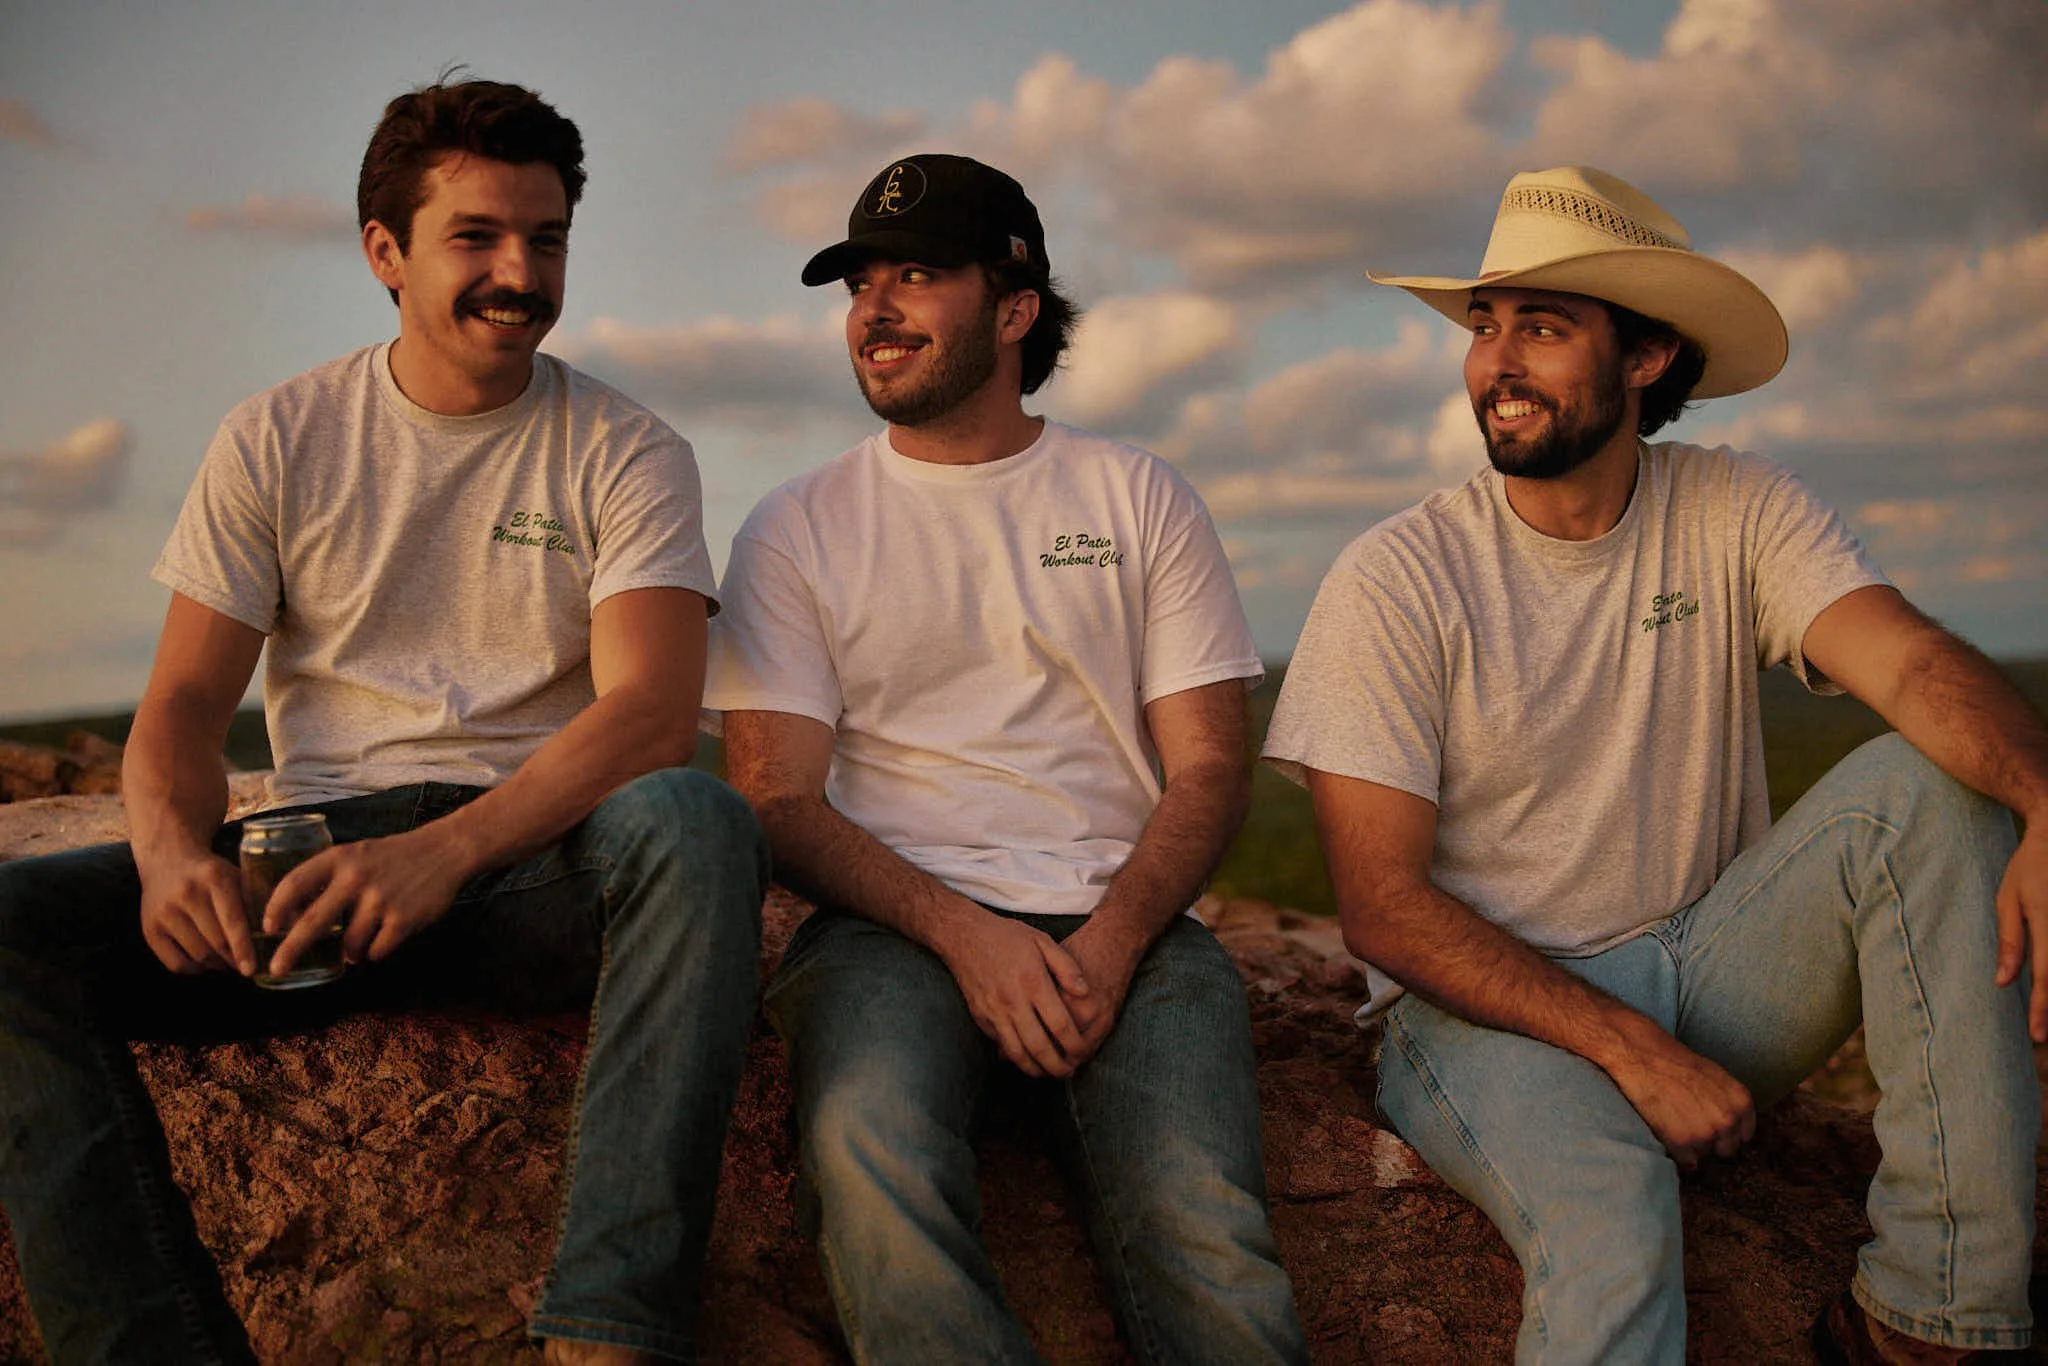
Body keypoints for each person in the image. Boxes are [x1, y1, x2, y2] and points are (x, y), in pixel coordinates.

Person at [0, 77, 767, 1365]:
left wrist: (449, 853)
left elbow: (649, 715)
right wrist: (172, 854)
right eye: (476, 237)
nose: (518, 272)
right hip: (317, 872)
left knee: (695, 819)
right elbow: (186, 701)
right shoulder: (278, 436)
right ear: (384, 253)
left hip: (538, 867)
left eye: (547, 238)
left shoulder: (627, 448)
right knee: (11, 928)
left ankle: (607, 1328)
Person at [1264, 164, 2046, 1364]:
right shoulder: (1396, 577)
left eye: (1542, 325)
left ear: (1643, 358)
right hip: (1483, 1016)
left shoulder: (1733, 506)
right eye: (1485, 325)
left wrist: (2044, 798)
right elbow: (1382, 909)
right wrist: (1628, 1053)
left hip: (1704, 967)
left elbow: (1910, 665)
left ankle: (1923, 1323)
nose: (1495, 361)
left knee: (1934, 789)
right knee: (1613, 1217)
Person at [706, 153, 1307, 1366]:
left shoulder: (1136, 495)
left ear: (1016, 307)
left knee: (1202, 1223)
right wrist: (964, 933)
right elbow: (773, 794)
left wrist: (1111, 938)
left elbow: (1206, 771)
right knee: (870, 1151)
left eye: (916, 277)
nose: (872, 312)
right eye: (857, 284)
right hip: (889, 925)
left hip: (1119, 922)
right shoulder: (795, 523)